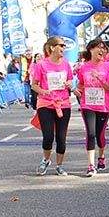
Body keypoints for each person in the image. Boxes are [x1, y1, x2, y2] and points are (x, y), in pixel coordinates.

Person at [29, 37, 73, 176]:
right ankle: (46, 160)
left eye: (64, 46)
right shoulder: (41, 65)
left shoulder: (66, 64)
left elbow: (70, 80)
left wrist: (69, 84)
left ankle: (59, 165)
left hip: (63, 103)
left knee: (61, 137)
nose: (63, 48)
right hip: (46, 103)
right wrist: (43, 91)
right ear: (52, 47)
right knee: (48, 136)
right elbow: (34, 85)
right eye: (61, 45)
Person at [75, 39, 109, 177]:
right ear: (91, 49)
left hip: (103, 105)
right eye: (99, 47)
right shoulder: (83, 67)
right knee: (91, 133)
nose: (102, 50)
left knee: (100, 135)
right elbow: (81, 84)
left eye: (103, 48)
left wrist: (99, 78)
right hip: (87, 105)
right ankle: (91, 165)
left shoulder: (108, 67)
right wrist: (76, 90)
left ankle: (101, 156)